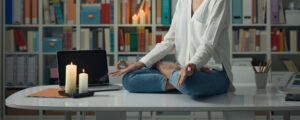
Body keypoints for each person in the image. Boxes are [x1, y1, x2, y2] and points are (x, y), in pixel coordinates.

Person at [109, 0, 235, 96]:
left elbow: (208, 44)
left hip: (214, 72)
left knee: (188, 83)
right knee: (129, 80)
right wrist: (139, 64)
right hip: (183, 71)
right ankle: (177, 79)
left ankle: (163, 68)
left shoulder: (218, 2)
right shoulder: (182, 2)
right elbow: (168, 41)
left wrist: (193, 65)